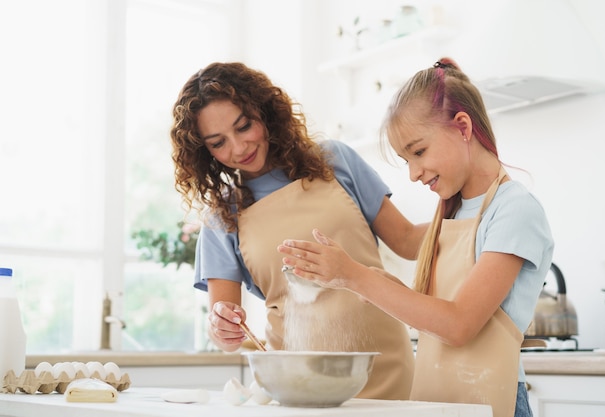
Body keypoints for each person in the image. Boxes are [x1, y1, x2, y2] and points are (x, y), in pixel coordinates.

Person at [278, 58, 554, 417]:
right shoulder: (453, 214)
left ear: (463, 127)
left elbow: (458, 325)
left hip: (492, 400)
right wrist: (367, 280)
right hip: (439, 401)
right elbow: (425, 290)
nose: (412, 174)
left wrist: (357, 277)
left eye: (418, 152)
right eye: (405, 159)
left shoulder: (514, 209)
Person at [169, 62, 421, 400]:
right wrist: (222, 326)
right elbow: (223, 322)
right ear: (205, 152)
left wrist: (474, 222)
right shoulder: (222, 216)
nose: (239, 148)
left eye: (244, 126)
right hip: (298, 380)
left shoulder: (335, 160)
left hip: (385, 363)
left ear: (264, 111)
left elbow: (407, 241)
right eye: (218, 143)